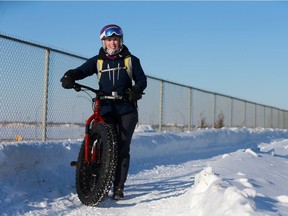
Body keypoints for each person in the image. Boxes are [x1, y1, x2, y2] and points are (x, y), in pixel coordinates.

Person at [60, 24, 147, 200]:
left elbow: (142, 80)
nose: (112, 43)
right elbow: (82, 71)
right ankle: (98, 179)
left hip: (126, 109)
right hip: (106, 107)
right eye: (109, 40)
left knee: (122, 148)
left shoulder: (131, 60)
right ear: (103, 42)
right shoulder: (98, 61)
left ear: (120, 40)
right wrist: (70, 76)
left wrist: (136, 90)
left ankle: (118, 187)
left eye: (115, 39)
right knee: (104, 144)